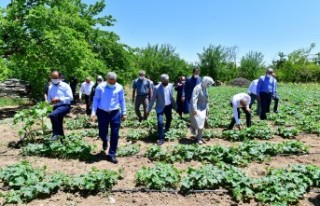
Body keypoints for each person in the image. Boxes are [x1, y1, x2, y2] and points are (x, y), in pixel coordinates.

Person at [91, 72, 127, 164]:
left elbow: (122, 100)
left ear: (115, 80)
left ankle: (112, 154)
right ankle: (105, 139)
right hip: (102, 112)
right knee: (102, 132)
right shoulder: (100, 87)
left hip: (115, 112)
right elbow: (96, 99)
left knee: (115, 133)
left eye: (113, 82)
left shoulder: (119, 87)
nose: (112, 83)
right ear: (107, 79)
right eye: (110, 82)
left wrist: (124, 112)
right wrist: (93, 112)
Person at [147, 74, 176, 146]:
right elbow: (152, 99)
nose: (167, 81)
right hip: (160, 107)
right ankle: (161, 138)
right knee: (160, 122)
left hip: (168, 107)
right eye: (166, 80)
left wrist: (175, 106)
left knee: (169, 119)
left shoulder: (170, 86)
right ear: (162, 81)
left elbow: (171, 96)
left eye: (168, 80)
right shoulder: (156, 88)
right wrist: (148, 110)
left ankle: (166, 130)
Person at [47, 71, 73, 140]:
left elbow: (71, 97)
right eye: (53, 78)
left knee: (52, 115)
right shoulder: (50, 87)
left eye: (56, 78)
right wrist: (51, 101)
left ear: (60, 77)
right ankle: (63, 141)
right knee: (59, 123)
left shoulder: (65, 85)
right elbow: (49, 99)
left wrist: (59, 99)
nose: (54, 79)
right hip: (55, 107)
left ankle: (55, 134)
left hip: (65, 106)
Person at [190, 76, 215, 144]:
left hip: (203, 108)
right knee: (197, 122)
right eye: (208, 84)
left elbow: (207, 99)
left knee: (202, 122)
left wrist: (207, 108)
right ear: (205, 82)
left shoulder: (205, 88)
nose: (208, 86)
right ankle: (193, 127)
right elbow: (194, 99)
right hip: (197, 107)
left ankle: (199, 138)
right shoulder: (197, 88)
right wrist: (194, 109)